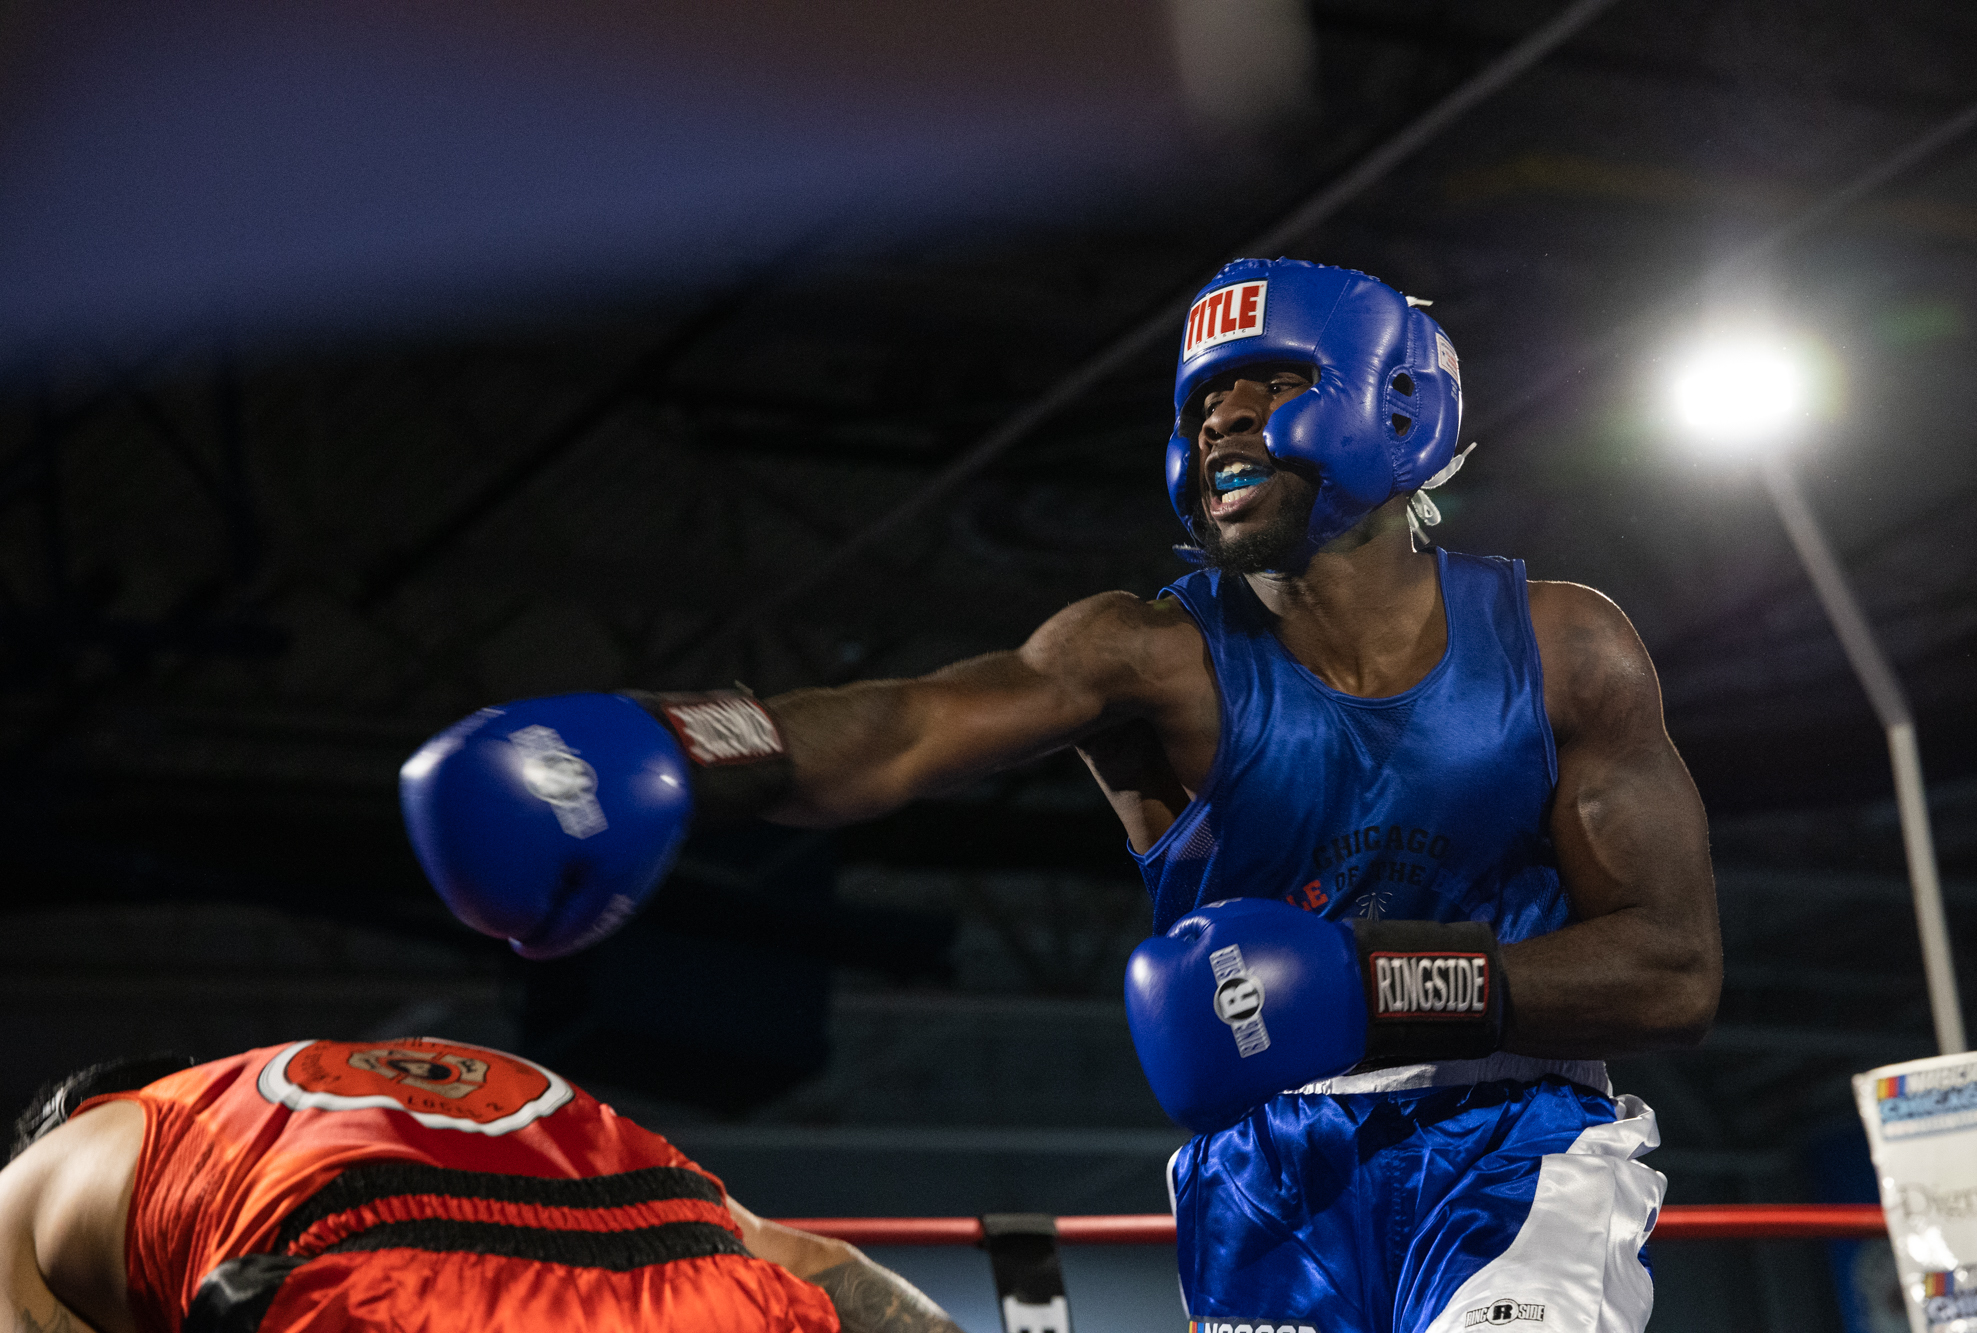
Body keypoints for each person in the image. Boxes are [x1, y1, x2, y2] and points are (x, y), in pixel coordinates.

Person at [404, 257, 1723, 1332]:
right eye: (1203, 404)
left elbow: (1671, 970)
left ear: (1395, 408)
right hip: (1262, 1174)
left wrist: (1373, 984)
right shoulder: (1147, 655)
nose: (1222, 422)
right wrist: (676, 745)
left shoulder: (1559, 644)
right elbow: (910, 724)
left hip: (1514, 1139)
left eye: (1269, 385)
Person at [0, 1041, 964, 1333]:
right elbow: (819, 1264)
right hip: (701, 1286)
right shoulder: (422, 1071)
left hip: (386, 1294)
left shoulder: (45, 1171)